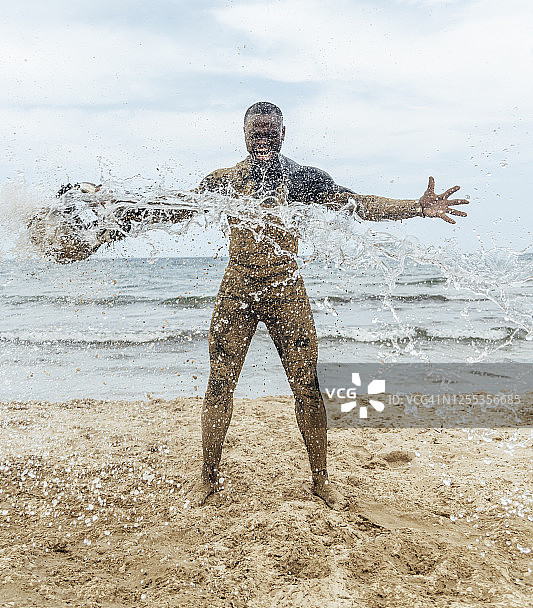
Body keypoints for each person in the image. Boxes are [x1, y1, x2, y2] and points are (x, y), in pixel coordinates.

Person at [38, 102, 469, 509]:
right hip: (238, 287)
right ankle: (208, 476)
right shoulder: (224, 180)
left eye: (270, 131)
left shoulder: (304, 179)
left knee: (306, 387)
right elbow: (176, 210)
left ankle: (320, 480)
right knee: (220, 384)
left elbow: (357, 205)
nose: (263, 138)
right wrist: (119, 211)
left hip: (286, 288)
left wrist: (415, 207)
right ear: (244, 134)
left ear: (283, 133)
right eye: (255, 131)